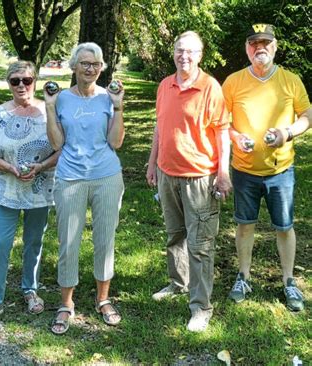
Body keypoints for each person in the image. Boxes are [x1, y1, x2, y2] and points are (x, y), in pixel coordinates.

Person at [145, 31, 232, 332]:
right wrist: (152, 162)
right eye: (180, 50)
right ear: (173, 52)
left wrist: (223, 173)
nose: (185, 56)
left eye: (191, 51)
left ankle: (201, 308)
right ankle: (177, 283)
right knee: (175, 235)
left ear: (200, 55)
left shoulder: (210, 87)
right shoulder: (164, 85)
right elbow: (159, 126)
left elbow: (222, 133)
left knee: (200, 245)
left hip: (200, 177)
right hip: (167, 174)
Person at [222, 24, 310, 311]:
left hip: (281, 171)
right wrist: (236, 137)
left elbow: (307, 115)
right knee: (244, 225)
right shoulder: (233, 82)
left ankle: (288, 281)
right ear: (247, 48)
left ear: (275, 47)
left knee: (284, 227)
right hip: (244, 170)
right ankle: (244, 277)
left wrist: (287, 133)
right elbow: (223, 123)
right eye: (254, 43)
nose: (260, 48)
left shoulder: (290, 80)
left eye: (265, 43)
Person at [45, 42, 125, 335]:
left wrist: (118, 106)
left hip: (106, 176)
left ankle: (103, 298)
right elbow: (56, 144)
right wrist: (51, 109)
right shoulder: (62, 99)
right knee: (68, 240)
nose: (90, 69)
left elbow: (116, 142)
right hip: (70, 178)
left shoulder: (109, 97)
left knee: (105, 238)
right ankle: (66, 304)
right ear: (73, 67)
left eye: (96, 64)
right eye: (84, 64)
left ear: (102, 68)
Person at [0, 61, 59, 329]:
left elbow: (63, 148)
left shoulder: (50, 112)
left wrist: (42, 166)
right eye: (15, 81)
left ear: (35, 81)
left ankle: (30, 289)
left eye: (27, 80)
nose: (22, 85)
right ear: (8, 83)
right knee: (0, 244)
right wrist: (9, 167)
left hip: (39, 189)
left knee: (34, 242)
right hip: (5, 189)